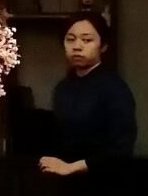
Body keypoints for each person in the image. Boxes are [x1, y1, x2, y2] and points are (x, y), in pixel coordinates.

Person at [39, 15, 137, 178]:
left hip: (106, 182)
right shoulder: (63, 88)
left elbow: (121, 149)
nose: (77, 46)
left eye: (87, 40)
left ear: (103, 46)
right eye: (70, 40)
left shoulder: (114, 88)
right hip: (66, 182)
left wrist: (72, 167)